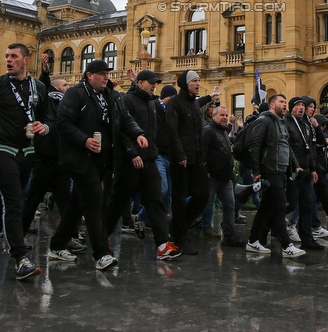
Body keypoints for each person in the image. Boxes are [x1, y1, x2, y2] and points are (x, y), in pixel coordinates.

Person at [46, 59, 147, 271]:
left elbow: (125, 118)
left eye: (107, 73)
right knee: (94, 201)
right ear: (89, 75)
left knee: (77, 203)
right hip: (80, 159)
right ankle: (101, 253)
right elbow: (63, 123)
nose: (105, 77)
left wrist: (137, 133)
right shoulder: (76, 94)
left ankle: (56, 246)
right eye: (101, 73)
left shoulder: (111, 95)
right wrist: (84, 139)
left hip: (103, 160)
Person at [0, 43, 51, 280]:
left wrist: (44, 126)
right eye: (7, 56)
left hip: (27, 152)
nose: (8, 59)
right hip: (1, 149)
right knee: (15, 202)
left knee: (3, 202)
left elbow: (49, 117)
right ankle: (20, 258)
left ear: (26, 60)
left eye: (13, 56)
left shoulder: (38, 87)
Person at [103, 69, 180, 261]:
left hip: (150, 160)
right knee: (118, 202)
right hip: (131, 162)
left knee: (155, 201)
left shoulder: (153, 103)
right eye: (151, 82)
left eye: (155, 82)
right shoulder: (127, 100)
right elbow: (120, 130)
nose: (155, 85)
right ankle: (101, 239)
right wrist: (132, 153)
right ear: (140, 83)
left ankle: (163, 245)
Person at [245, 94, 306, 258]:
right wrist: (256, 170)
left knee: (266, 208)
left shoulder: (281, 123)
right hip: (269, 170)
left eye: (286, 102)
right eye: (281, 102)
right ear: (272, 105)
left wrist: (296, 166)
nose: (285, 105)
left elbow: (287, 147)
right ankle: (287, 246)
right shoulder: (264, 121)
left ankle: (253, 241)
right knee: (280, 206)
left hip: (280, 171)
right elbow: (254, 145)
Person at [164, 70, 211, 255]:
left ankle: (176, 226)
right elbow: (172, 130)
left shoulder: (194, 104)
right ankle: (180, 236)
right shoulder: (175, 103)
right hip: (181, 159)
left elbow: (198, 133)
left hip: (196, 158)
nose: (198, 84)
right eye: (194, 81)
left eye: (199, 81)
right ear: (186, 84)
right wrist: (180, 154)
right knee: (179, 197)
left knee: (203, 194)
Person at [19, 76, 71, 235]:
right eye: (65, 84)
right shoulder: (47, 102)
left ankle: (71, 235)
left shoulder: (67, 104)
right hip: (44, 158)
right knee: (33, 199)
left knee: (65, 201)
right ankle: (18, 233)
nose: (68, 87)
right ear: (56, 88)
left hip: (60, 160)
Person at [284, 97, 323, 251]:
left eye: (303, 105)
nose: (301, 108)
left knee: (307, 204)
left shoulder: (306, 124)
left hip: (306, 171)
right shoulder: (286, 122)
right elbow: (287, 147)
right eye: (298, 105)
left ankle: (307, 238)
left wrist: (313, 168)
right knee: (291, 204)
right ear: (292, 107)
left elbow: (310, 149)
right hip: (294, 171)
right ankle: (268, 227)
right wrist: (295, 167)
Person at [201, 105, 242, 248]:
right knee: (203, 205)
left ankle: (230, 236)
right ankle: (182, 228)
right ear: (213, 116)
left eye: (226, 115)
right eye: (221, 115)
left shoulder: (223, 131)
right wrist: (205, 170)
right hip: (212, 176)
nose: (225, 118)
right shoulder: (208, 130)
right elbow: (202, 152)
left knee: (230, 205)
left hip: (225, 177)